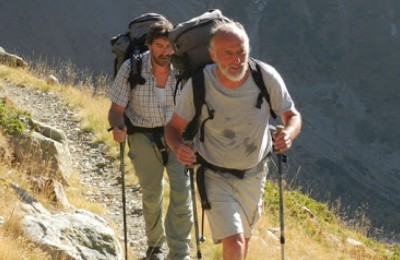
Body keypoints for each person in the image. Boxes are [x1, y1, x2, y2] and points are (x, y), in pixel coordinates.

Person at [165, 21, 302, 260]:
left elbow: (292, 116)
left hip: (255, 173)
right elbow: (173, 128)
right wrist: (179, 148)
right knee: (235, 242)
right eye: (228, 54)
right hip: (213, 174)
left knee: (243, 240)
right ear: (213, 55)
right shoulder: (199, 84)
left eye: (241, 52)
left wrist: (288, 134)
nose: (236, 60)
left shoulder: (265, 77)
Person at [108, 20, 192, 260]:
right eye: (159, 46)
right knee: (151, 192)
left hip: (178, 136)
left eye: (169, 46)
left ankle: (179, 252)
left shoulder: (183, 68)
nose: (165, 52)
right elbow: (116, 109)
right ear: (149, 44)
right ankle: (155, 248)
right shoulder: (132, 68)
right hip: (143, 135)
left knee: (182, 192)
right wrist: (117, 126)